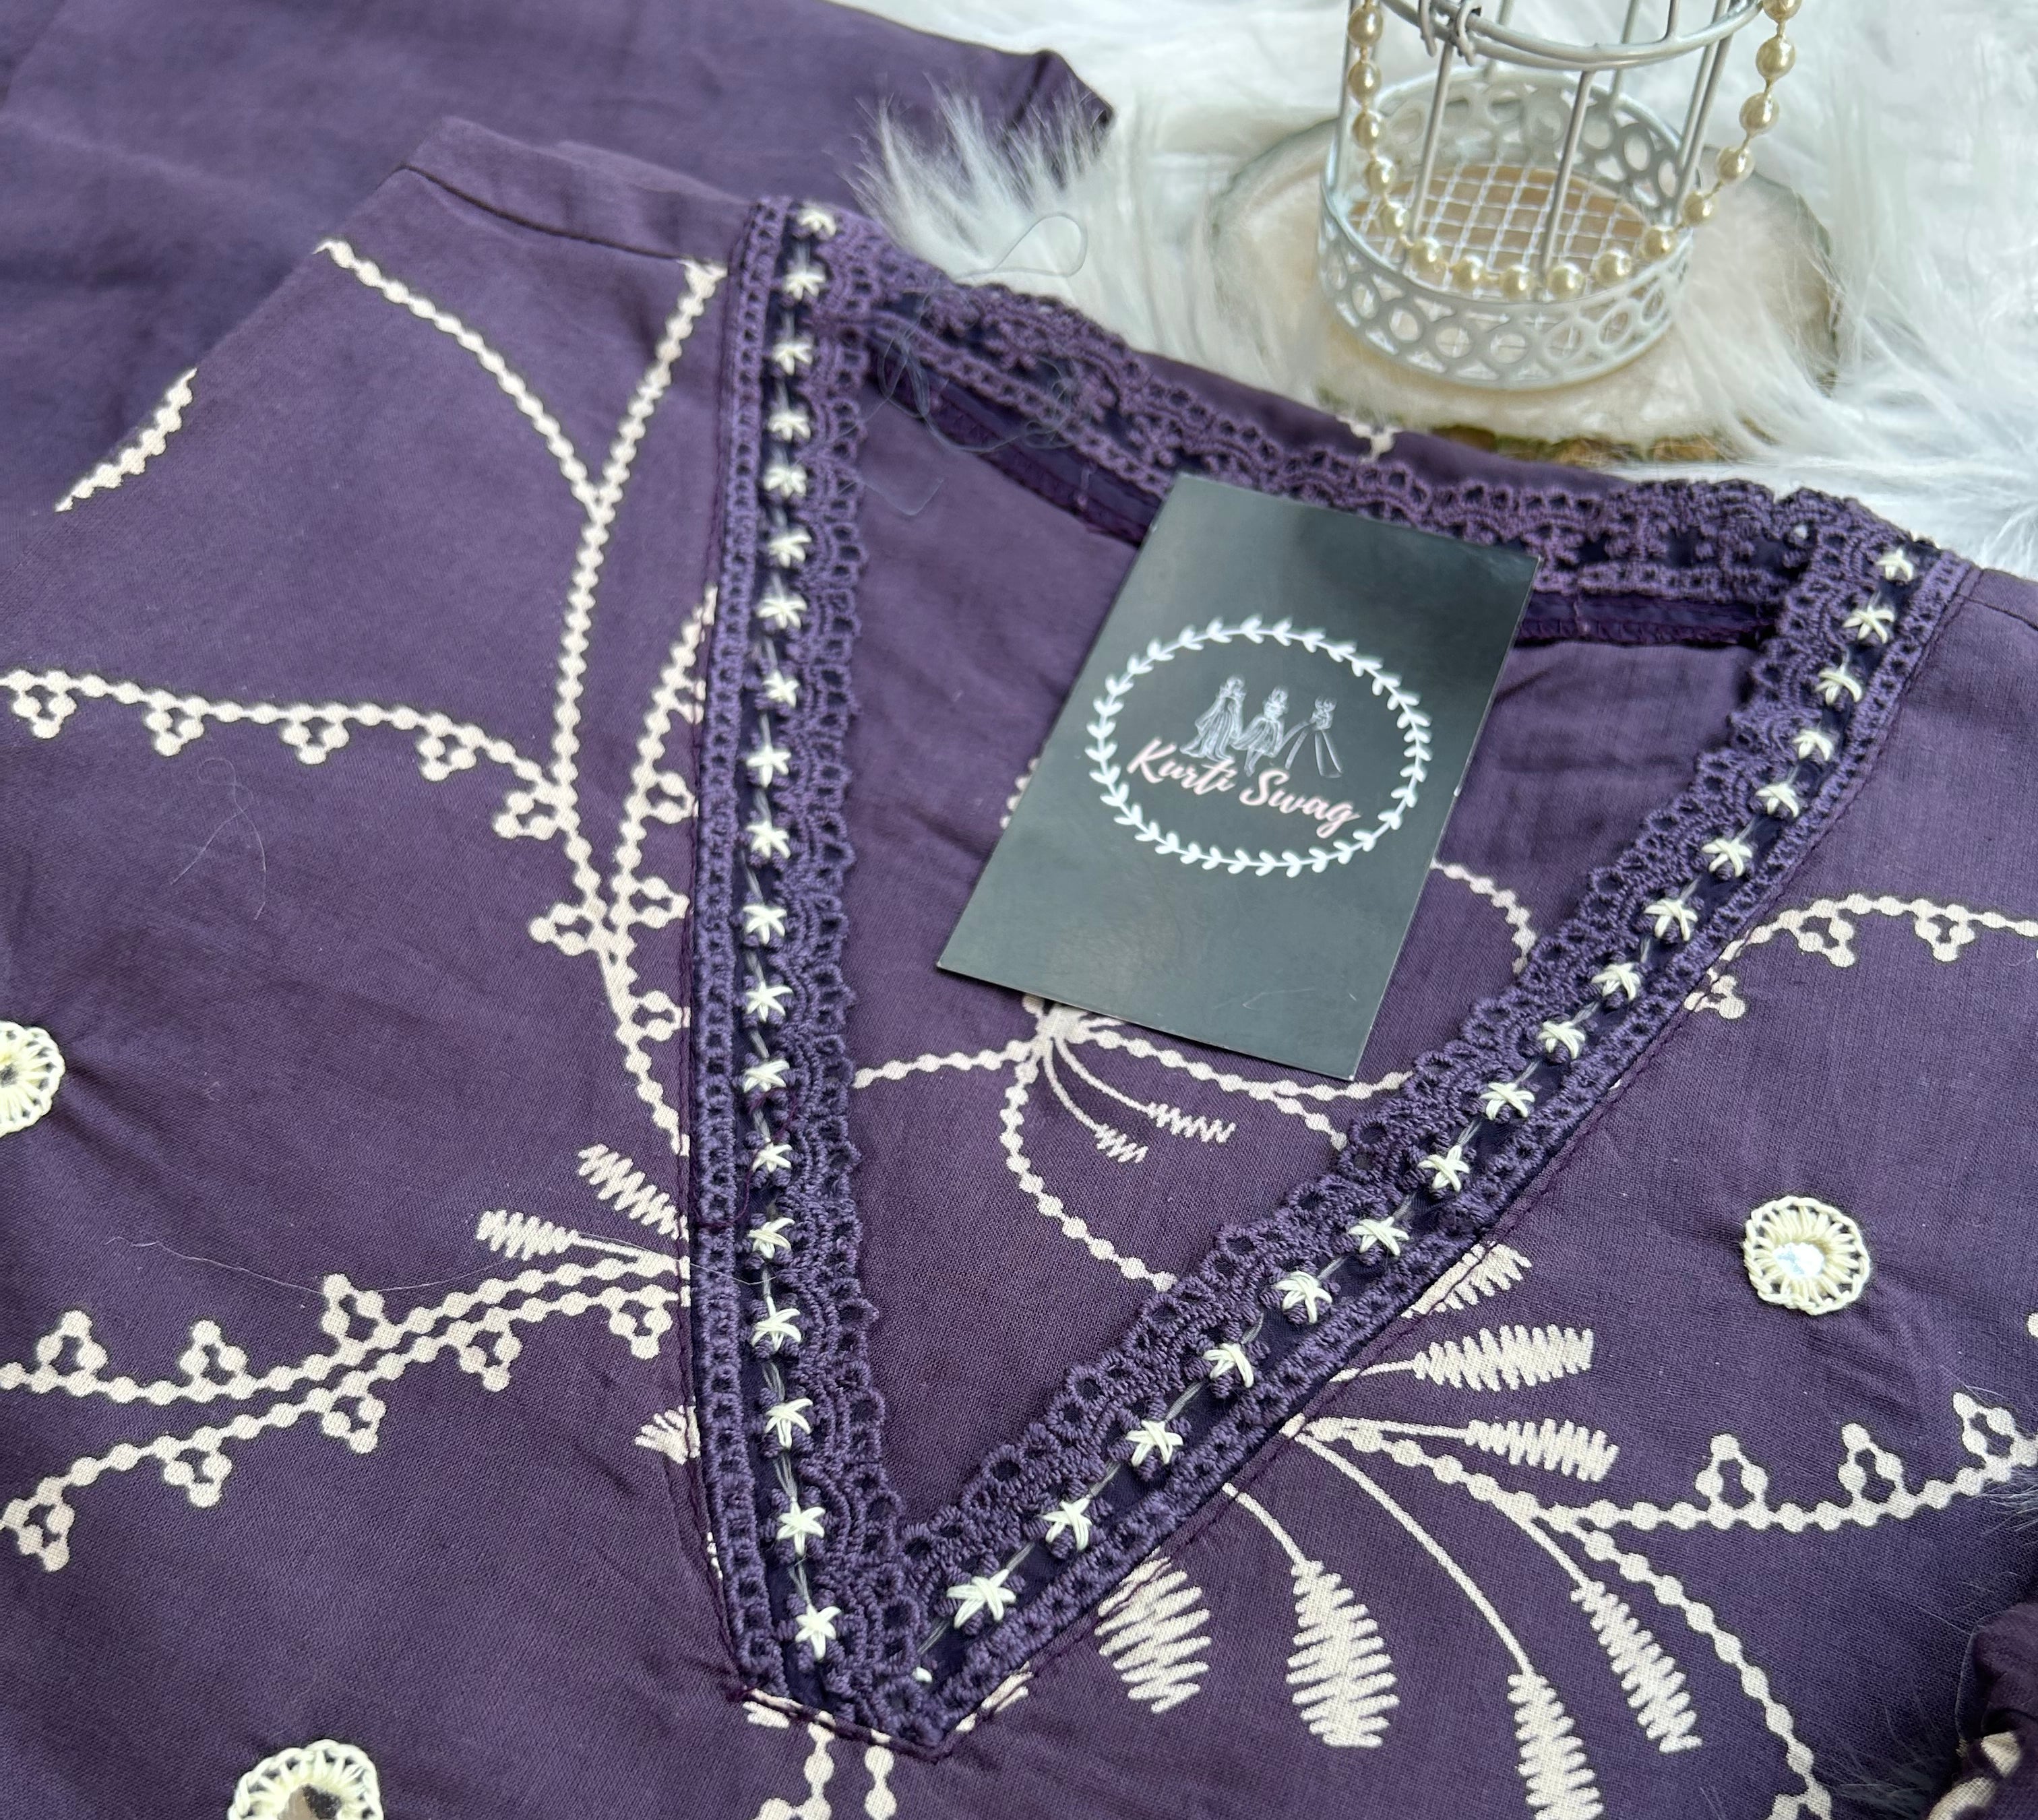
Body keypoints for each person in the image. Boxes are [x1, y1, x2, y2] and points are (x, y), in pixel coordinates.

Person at [1183, 675, 1244, 759]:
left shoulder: (1237, 699)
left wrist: (1238, 704)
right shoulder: (1224, 693)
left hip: (1227, 720)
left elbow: (1237, 717)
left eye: (1236, 687)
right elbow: (1214, 709)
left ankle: (1207, 752)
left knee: (1218, 744)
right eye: (1231, 686)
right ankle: (1201, 750)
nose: (1233, 689)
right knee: (1208, 734)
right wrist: (1221, 698)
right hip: (1218, 716)